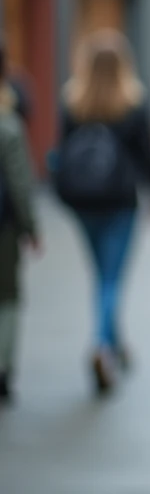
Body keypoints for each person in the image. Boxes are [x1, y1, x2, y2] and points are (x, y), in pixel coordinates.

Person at [54, 31, 150, 396]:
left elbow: (62, 154)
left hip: (84, 204)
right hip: (120, 201)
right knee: (111, 278)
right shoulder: (132, 103)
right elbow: (148, 157)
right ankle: (103, 345)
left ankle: (114, 343)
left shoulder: (73, 101)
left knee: (101, 275)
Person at [0, 38, 40, 405]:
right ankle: (3, 366)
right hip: (4, 227)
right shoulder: (7, 121)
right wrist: (31, 227)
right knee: (7, 296)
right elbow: (19, 179)